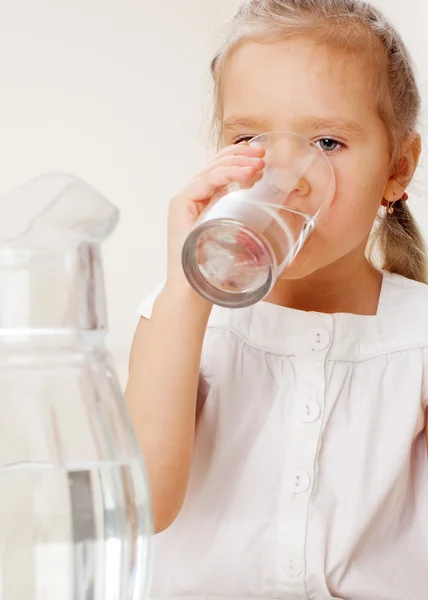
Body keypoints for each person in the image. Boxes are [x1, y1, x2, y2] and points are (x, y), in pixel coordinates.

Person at [126, 1, 428, 598]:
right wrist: (190, 289)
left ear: (397, 168)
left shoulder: (415, 334)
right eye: (251, 138)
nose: (285, 174)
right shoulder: (180, 314)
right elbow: (140, 507)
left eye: (327, 141)